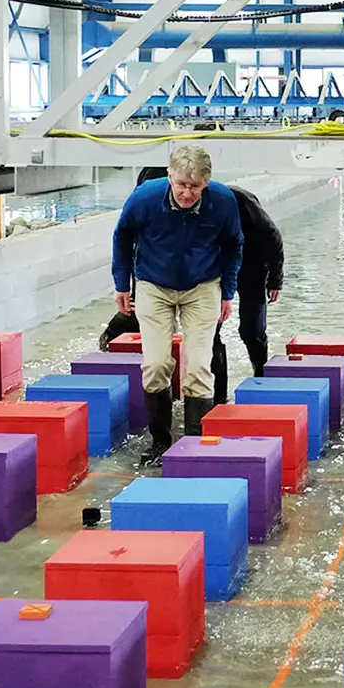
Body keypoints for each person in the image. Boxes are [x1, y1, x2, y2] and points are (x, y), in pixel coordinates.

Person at [111, 144, 243, 462]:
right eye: (181, 184)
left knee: (199, 367)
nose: (187, 193)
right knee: (155, 365)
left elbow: (234, 244)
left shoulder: (223, 201)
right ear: (170, 176)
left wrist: (228, 291)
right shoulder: (144, 198)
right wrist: (121, 284)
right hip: (153, 285)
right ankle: (160, 442)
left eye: (195, 187)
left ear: (206, 182)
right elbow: (122, 236)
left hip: (203, 285)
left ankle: (195, 445)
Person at [211, 183, 285, 405]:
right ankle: (218, 396)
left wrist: (275, 280)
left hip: (253, 265)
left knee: (251, 331)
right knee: (210, 331)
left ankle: (261, 378)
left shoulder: (240, 201)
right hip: (218, 269)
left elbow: (273, 236)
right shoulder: (191, 206)